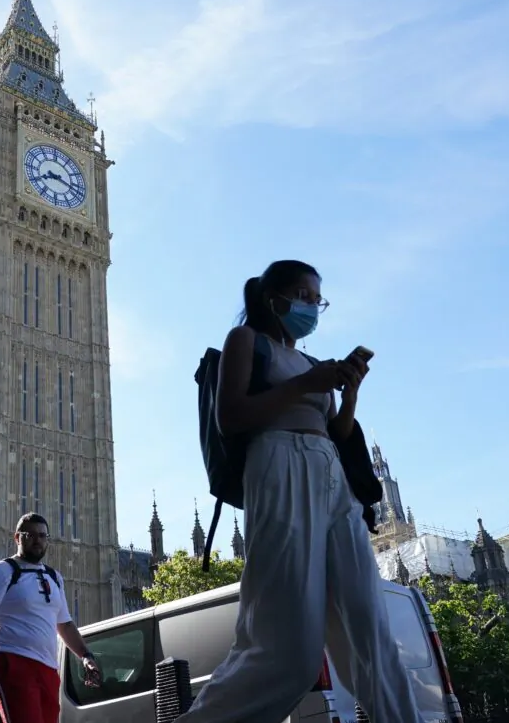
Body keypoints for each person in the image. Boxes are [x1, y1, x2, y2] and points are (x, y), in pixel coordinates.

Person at [179, 260, 425, 723]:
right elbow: (230, 417)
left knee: (372, 634)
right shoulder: (246, 342)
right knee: (287, 653)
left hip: (332, 477)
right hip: (278, 466)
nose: (312, 307)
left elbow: (335, 431)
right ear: (274, 298)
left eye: (318, 300)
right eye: (304, 296)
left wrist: (348, 393)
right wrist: (307, 384)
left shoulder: (314, 362)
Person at [0, 513, 101, 723]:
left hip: (47, 666)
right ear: (17, 538)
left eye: (42, 535)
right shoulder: (1, 571)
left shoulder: (54, 577)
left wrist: (86, 656)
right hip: (10, 659)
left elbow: (64, 625)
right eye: (31, 535)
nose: (37, 540)